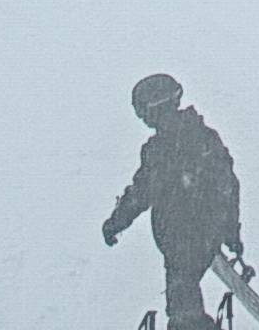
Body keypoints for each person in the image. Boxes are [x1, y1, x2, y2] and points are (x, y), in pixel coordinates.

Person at [103, 72, 243, 330]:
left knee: (183, 307)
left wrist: (116, 222)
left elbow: (141, 192)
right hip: (193, 234)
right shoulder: (196, 138)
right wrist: (230, 231)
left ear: (155, 108)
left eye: (142, 112)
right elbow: (227, 186)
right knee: (183, 301)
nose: (143, 119)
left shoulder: (168, 147)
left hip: (186, 237)